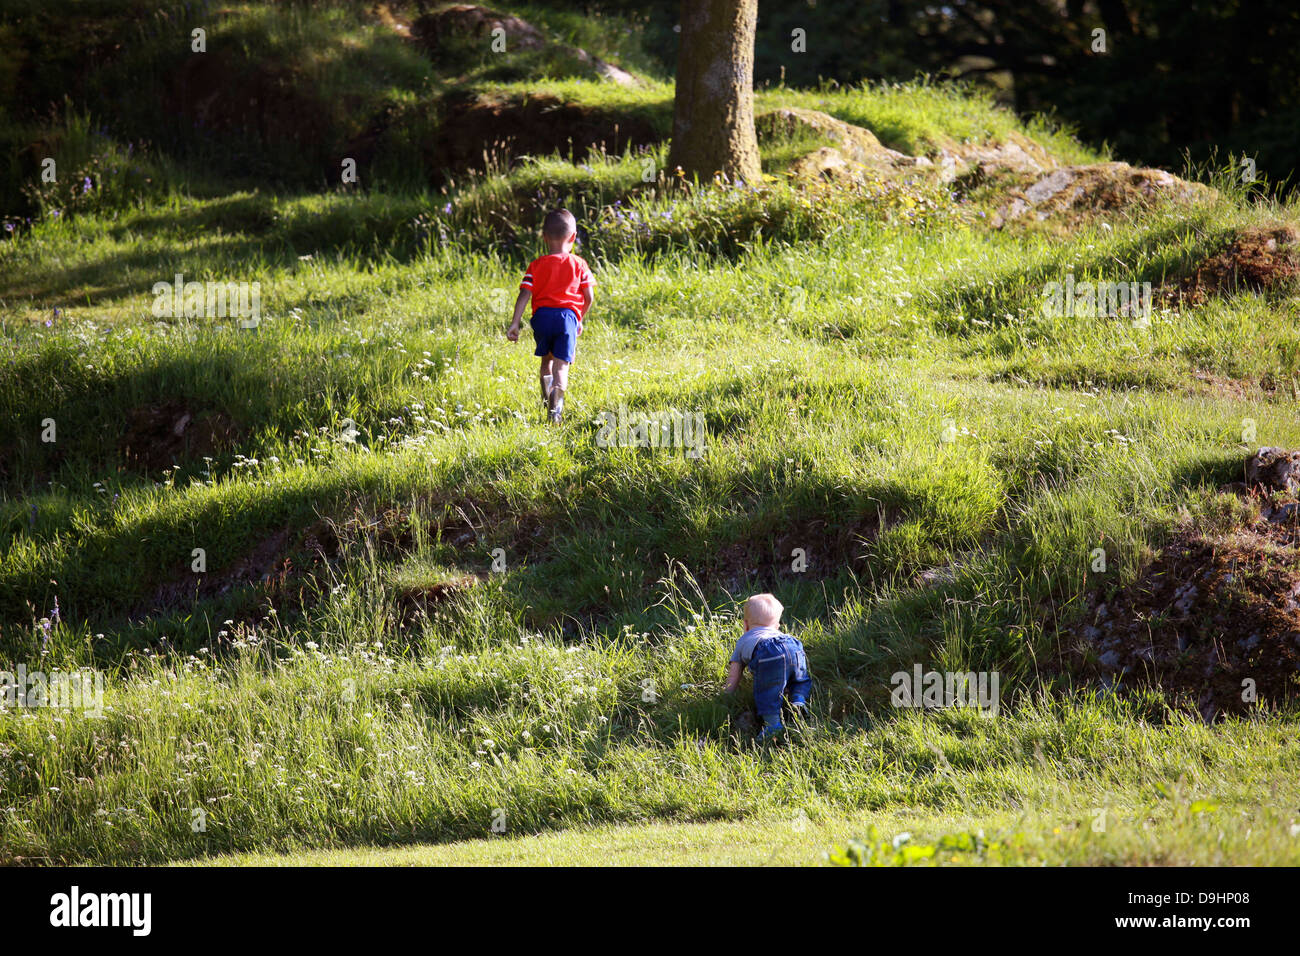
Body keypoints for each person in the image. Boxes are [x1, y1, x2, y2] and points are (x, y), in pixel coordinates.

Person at [506, 209, 595, 424]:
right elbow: (589, 296)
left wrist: (515, 323)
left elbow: (524, 294)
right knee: (561, 366)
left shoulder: (536, 266)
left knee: (546, 361)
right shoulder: (579, 264)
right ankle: (556, 411)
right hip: (567, 318)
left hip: (542, 318)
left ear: (544, 237)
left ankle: (548, 400)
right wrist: (578, 318)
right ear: (573, 237)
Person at [723, 593, 812, 740]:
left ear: (745, 625)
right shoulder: (782, 634)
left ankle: (773, 725)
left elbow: (735, 673)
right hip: (794, 645)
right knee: (800, 679)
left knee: (767, 690)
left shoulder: (745, 639)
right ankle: (798, 700)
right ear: (777, 625)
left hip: (768, 652)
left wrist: (726, 695)